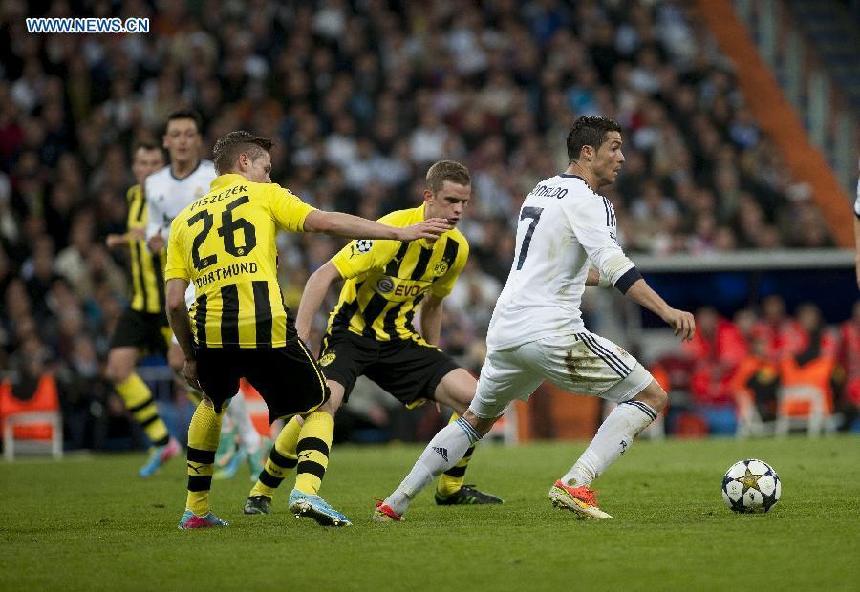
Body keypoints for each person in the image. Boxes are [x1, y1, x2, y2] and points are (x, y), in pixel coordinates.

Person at [375, 116, 696, 521]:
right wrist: (665, 310)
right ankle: (576, 482)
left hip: (506, 330)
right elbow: (615, 265)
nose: (622, 157)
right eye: (614, 147)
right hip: (551, 331)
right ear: (587, 152)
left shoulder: (540, 191)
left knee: (476, 418)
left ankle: (395, 502)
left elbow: (559, 266)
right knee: (651, 396)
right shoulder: (590, 201)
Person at [165, 131, 450, 529]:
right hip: (264, 323)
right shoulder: (262, 195)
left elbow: (175, 302)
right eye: (265, 167)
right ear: (244, 164)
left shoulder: (182, 222)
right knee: (318, 404)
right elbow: (325, 222)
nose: (268, 175)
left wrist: (191, 354)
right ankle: (306, 491)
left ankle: (195, 510)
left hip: (210, 329)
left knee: (213, 402)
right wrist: (397, 232)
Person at [243, 160, 502, 518]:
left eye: (464, 202)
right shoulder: (389, 231)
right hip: (352, 333)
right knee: (322, 405)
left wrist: (434, 362)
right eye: (450, 200)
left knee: (477, 401)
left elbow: (434, 305)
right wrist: (301, 335)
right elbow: (322, 275)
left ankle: (450, 487)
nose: (458, 210)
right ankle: (266, 490)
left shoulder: (455, 249)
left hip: (400, 339)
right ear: (428, 196)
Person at [146, 109, 266, 478]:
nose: (182, 140)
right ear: (166, 141)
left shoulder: (211, 177)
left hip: (214, 277)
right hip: (180, 276)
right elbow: (155, 231)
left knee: (195, 360)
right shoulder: (154, 186)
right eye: (175, 134)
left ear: (198, 140)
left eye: (188, 134)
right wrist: (154, 240)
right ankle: (243, 436)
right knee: (185, 363)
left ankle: (235, 437)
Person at [104, 141, 181, 476]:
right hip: (140, 304)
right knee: (118, 368)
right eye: (142, 162)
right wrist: (126, 240)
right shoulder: (134, 197)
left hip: (167, 302)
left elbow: (178, 237)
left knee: (188, 373)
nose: (147, 168)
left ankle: (229, 438)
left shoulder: (170, 198)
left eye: (153, 162)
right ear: (134, 167)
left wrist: (156, 242)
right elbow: (141, 236)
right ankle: (162, 441)